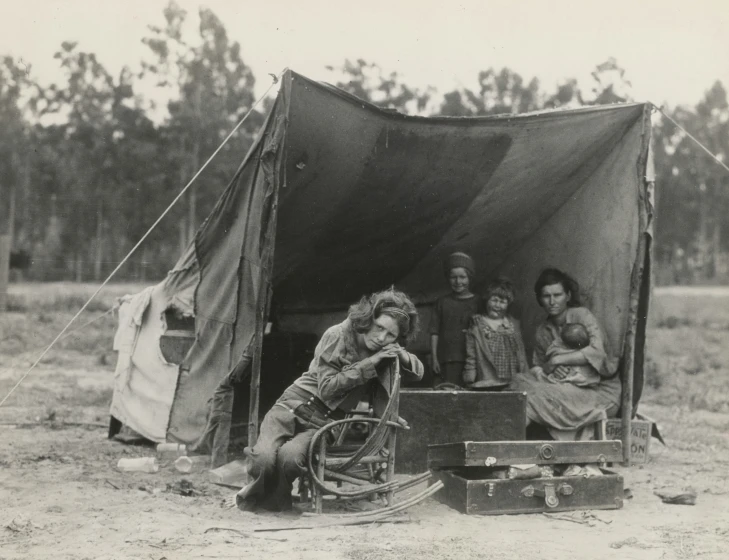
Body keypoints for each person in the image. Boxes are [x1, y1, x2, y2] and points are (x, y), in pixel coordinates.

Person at [236, 289, 424, 512]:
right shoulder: (338, 335)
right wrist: (370, 362)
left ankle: (277, 501)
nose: (381, 338)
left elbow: (416, 373)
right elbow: (327, 389)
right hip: (291, 405)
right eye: (379, 327)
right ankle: (256, 495)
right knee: (263, 459)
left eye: (391, 335)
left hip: (326, 422)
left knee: (290, 458)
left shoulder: (385, 353)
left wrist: (402, 355)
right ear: (368, 318)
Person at [510, 268, 621, 443]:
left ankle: (508, 448)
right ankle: (505, 445)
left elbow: (597, 353)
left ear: (568, 296)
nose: (552, 301)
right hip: (564, 387)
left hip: (599, 392)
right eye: (546, 296)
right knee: (516, 383)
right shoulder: (542, 331)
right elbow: (540, 366)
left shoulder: (581, 316)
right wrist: (552, 369)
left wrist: (558, 359)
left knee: (529, 398)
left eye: (558, 295)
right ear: (539, 298)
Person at [462, 277, 528, 390]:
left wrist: (525, 374)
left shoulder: (513, 325)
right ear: (487, 300)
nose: (497, 305)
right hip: (487, 380)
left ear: (508, 304)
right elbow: (471, 355)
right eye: (494, 300)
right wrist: (470, 376)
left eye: (502, 302)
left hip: (511, 382)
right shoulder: (477, 325)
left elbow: (521, 355)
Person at [429, 252, 481, 387]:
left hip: (472, 361)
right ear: (448, 278)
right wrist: (434, 358)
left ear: (470, 277)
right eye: (453, 277)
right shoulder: (442, 302)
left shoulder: (478, 302)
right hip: (446, 360)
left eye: (463, 277)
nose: (458, 282)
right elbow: (434, 332)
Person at [541, 323, 601, 388]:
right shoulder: (584, 347)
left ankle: (574, 378)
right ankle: (582, 379)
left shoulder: (558, 348)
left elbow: (551, 353)